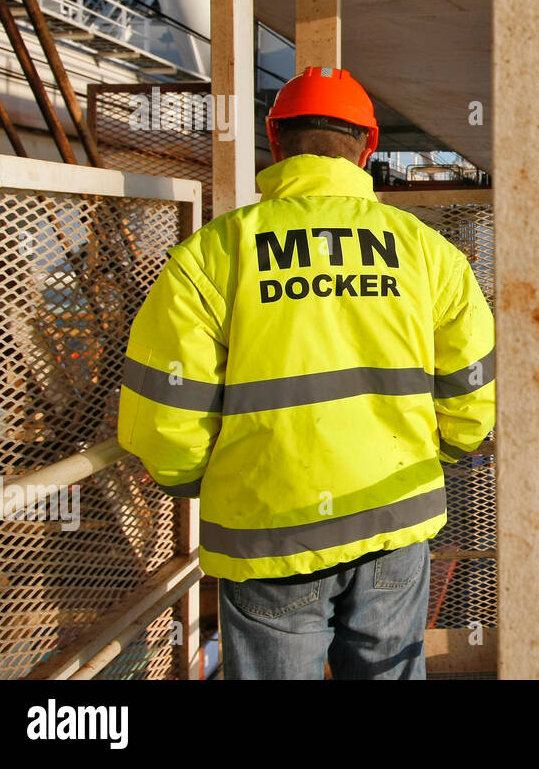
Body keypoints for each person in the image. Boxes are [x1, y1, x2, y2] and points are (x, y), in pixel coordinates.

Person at [118, 67, 495, 679]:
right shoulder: (428, 252)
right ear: (367, 148)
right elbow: (473, 384)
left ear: (276, 143)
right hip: (392, 514)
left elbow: (164, 403)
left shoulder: (213, 253)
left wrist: (194, 478)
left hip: (269, 529)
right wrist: (449, 445)